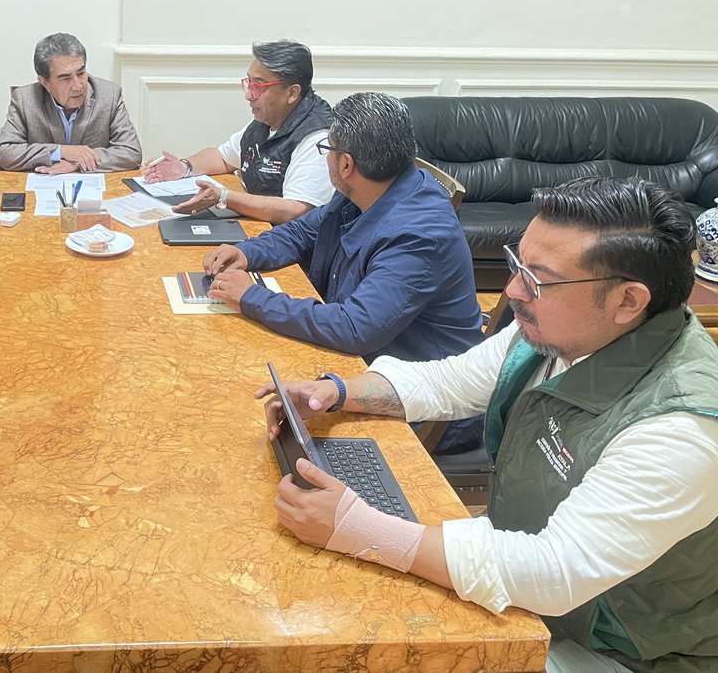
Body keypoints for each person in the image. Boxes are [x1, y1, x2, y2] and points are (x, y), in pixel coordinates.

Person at [261, 177, 718, 672]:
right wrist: (337, 391)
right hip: (533, 591)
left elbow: (555, 570)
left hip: (623, 648)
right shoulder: (559, 332)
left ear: (628, 301)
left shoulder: (681, 429)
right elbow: (450, 381)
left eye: (538, 279)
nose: (513, 290)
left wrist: (360, 528)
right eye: (517, 263)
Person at [205, 92, 482, 451]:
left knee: (242, 429)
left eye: (327, 149)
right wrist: (246, 252)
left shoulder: (419, 234)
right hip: (359, 368)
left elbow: (353, 328)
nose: (327, 159)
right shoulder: (373, 187)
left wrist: (251, 297)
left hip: (420, 410)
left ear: (346, 164)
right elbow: (306, 230)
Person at [142, 40, 334, 224]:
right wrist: (184, 167)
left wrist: (224, 196)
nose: (248, 95)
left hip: (295, 247)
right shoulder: (267, 121)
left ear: (292, 93)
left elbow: (295, 210)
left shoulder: (318, 136)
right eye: (248, 83)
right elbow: (223, 157)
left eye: (258, 86)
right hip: (261, 230)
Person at [0, 32, 142, 173]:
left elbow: (131, 152)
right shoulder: (25, 99)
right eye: (65, 78)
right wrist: (62, 151)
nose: (78, 86)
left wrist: (77, 163)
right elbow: (4, 153)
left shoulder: (109, 95)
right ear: (44, 82)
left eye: (81, 73)